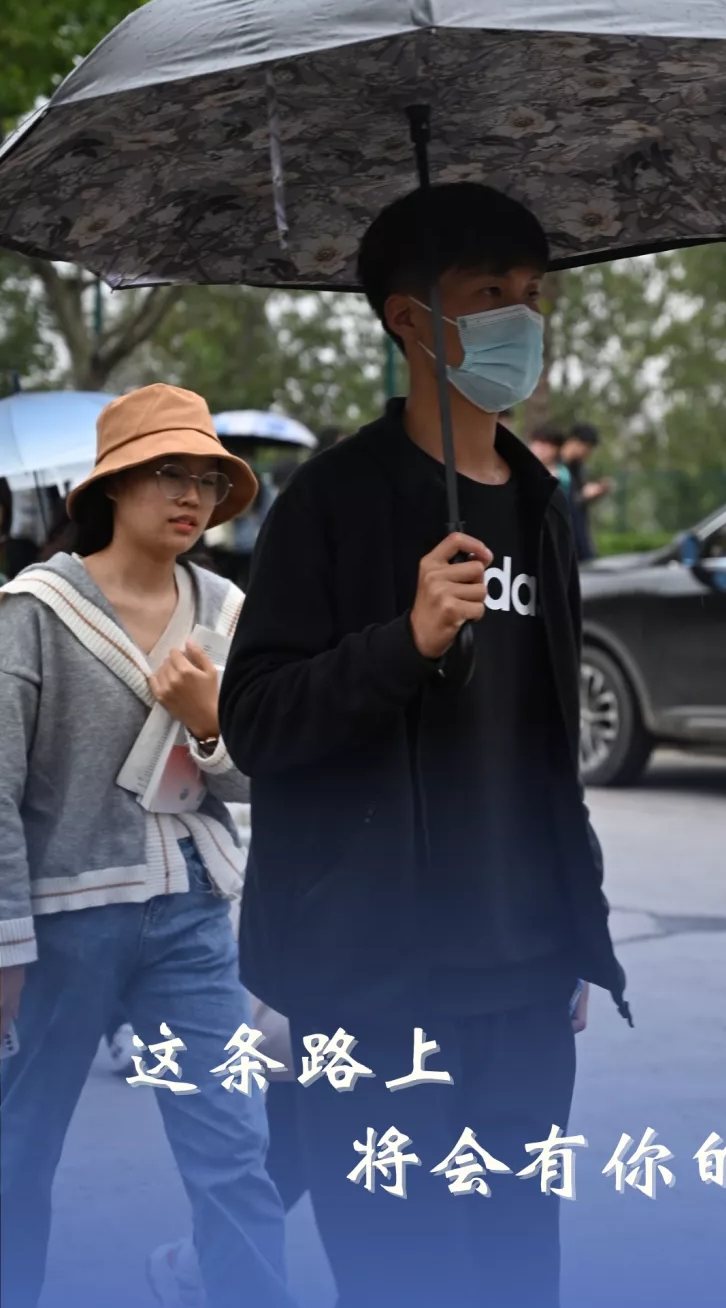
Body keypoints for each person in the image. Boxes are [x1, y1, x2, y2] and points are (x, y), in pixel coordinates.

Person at [219, 181, 629, 1308]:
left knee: (518, 1268)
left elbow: (548, 748)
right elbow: (255, 721)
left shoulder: (543, 508)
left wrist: (574, 924)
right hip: (369, 984)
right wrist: (400, 642)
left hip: (525, 976)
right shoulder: (329, 503)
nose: (522, 319)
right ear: (411, 319)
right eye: (490, 292)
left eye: (533, 294)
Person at [0, 384, 296, 1308]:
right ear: (113, 486)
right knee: (17, 1156)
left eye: (206, 478)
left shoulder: (226, 609)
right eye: (168, 472)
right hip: (59, 929)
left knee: (236, 1153)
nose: (191, 496)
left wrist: (209, 725)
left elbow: (258, 778)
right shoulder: (34, 611)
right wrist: (4, 945)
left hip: (193, 923)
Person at [560, 422, 610, 562]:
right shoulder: (555, 466)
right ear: (574, 442)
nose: (587, 453)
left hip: (578, 532)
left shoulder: (577, 467)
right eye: (586, 447)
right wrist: (583, 495)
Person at [529, 423, 571, 495]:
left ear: (556, 450)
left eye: (545, 447)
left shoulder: (562, 476)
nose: (539, 450)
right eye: (536, 444)